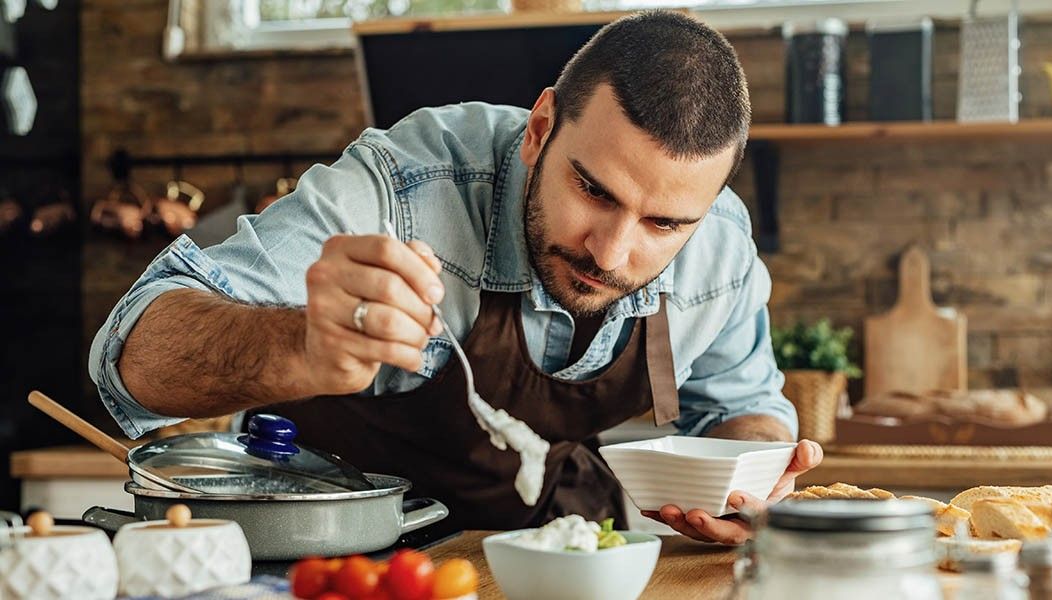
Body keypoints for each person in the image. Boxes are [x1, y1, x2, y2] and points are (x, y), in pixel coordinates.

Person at [89, 10, 821, 545]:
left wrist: (746, 484)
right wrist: (299, 345)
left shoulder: (718, 244)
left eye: (664, 225)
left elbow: (743, 407)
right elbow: (128, 358)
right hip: (338, 556)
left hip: (548, 558)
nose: (611, 251)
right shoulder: (407, 187)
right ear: (540, 129)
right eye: (594, 191)